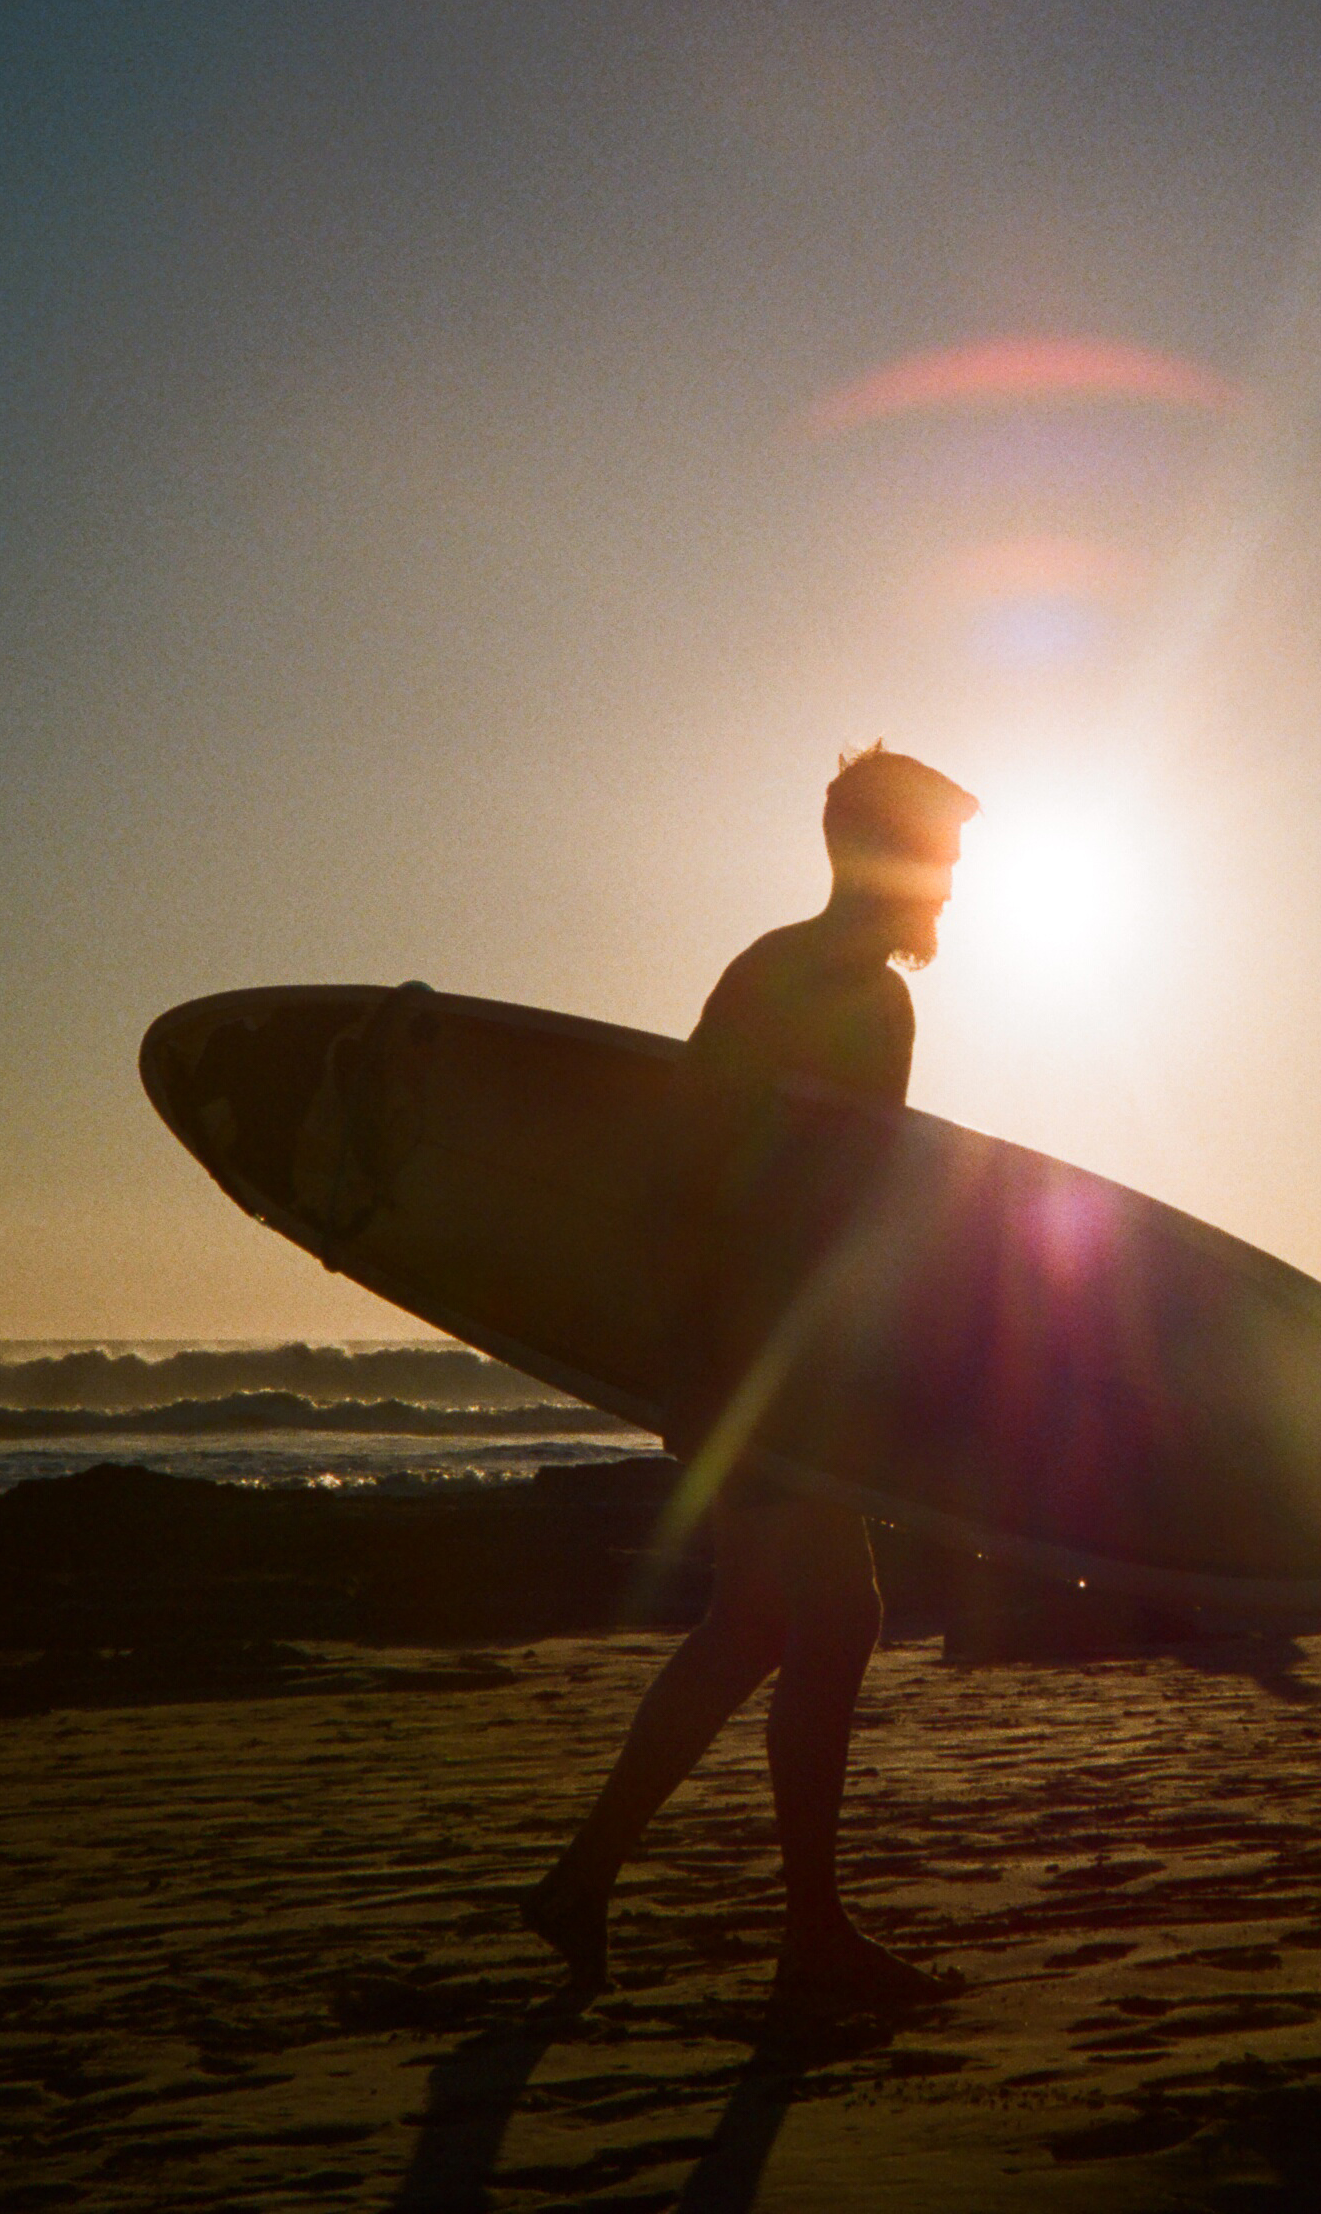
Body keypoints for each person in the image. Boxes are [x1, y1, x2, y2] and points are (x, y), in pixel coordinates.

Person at [519, 743, 979, 2012]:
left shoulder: (764, 966)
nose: (948, 890)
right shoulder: (861, 996)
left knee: (762, 1621)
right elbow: (847, 1198)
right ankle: (810, 1940)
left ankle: (582, 1882)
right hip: (782, 1359)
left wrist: (684, 1344)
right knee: (833, 1620)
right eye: (940, 860)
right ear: (885, 857)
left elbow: (689, 1161)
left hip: (730, 1346)